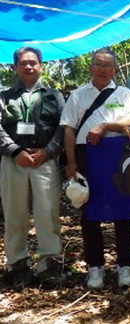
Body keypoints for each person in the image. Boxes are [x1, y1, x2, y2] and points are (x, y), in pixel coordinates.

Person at [60, 49, 130, 289]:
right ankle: (95, 266)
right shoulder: (78, 95)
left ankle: (125, 265)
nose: (103, 69)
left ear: (115, 69)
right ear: (91, 67)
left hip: (117, 155)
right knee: (89, 212)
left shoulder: (123, 93)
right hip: (86, 156)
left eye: (108, 65)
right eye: (98, 65)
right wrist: (71, 162)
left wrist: (104, 125)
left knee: (123, 210)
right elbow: (69, 130)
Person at [0, 47, 65, 289]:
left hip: (44, 161)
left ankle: (49, 263)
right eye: (24, 63)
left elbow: (63, 127)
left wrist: (48, 151)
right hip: (12, 161)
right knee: (14, 214)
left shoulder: (54, 96)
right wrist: (14, 151)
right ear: (15, 66)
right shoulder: (4, 96)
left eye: (33, 63)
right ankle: (17, 265)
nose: (29, 67)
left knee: (47, 214)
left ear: (41, 65)